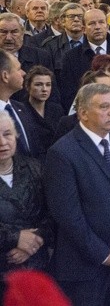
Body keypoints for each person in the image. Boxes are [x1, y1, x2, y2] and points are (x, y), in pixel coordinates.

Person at [44, 83, 110, 305]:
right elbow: (68, 216)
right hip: (86, 271)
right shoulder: (63, 152)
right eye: (104, 107)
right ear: (83, 113)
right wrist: (105, 255)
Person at [0, 110, 53, 274]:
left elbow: (54, 212)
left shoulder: (36, 168)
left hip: (38, 266)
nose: (2, 142)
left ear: (16, 135)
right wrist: (16, 239)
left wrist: (35, 239)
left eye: (7, 134)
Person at [21, 65, 65, 152]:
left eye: (48, 85)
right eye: (38, 84)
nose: (44, 89)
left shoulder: (57, 110)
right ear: (28, 86)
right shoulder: (20, 110)